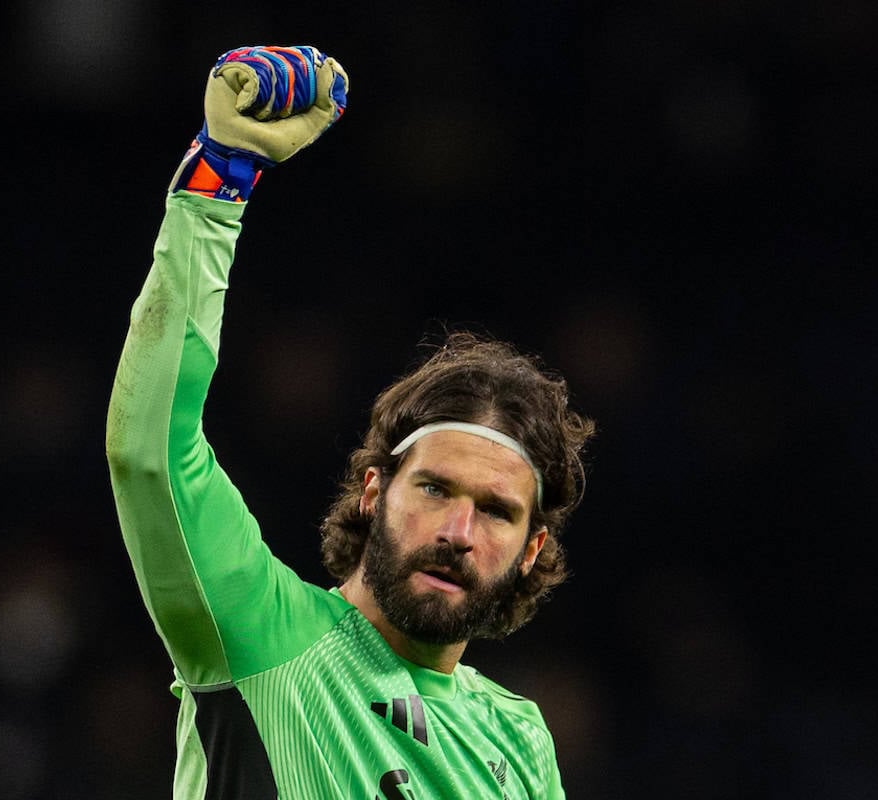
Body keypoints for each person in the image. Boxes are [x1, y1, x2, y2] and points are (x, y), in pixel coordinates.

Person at [106, 44, 595, 799]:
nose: (458, 532)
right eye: (434, 489)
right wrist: (216, 184)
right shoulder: (261, 634)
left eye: (495, 511)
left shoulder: (518, 739)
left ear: (532, 551)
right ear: (374, 492)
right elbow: (150, 450)